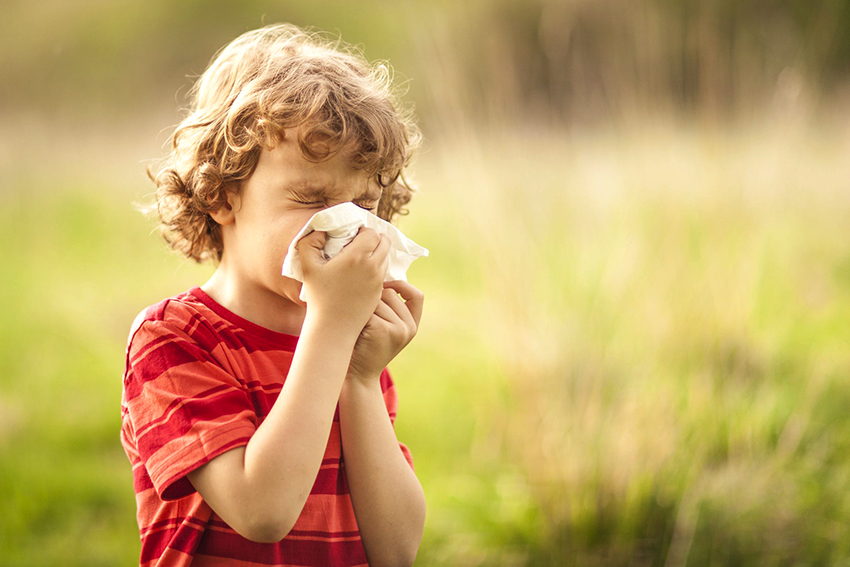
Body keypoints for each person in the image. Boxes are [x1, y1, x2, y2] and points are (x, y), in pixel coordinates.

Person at [120, 23, 426, 567]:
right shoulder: (173, 340)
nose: (344, 228)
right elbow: (262, 511)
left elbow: (397, 549)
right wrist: (332, 329)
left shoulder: (353, 349)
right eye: (312, 199)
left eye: (364, 205)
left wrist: (359, 379)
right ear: (220, 195)